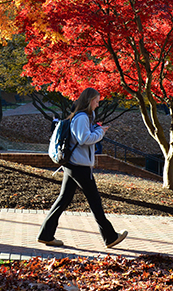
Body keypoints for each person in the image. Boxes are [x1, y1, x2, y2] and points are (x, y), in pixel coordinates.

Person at [37, 87, 128, 249]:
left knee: (64, 200)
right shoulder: (81, 117)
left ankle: (46, 235)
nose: (98, 104)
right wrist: (100, 132)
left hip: (74, 164)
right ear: (89, 100)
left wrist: (96, 128)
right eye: (96, 101)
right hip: (79, 165)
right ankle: (110, 237)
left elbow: (82, 136)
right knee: (95, 202)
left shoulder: (85, 117)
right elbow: (84, 138)